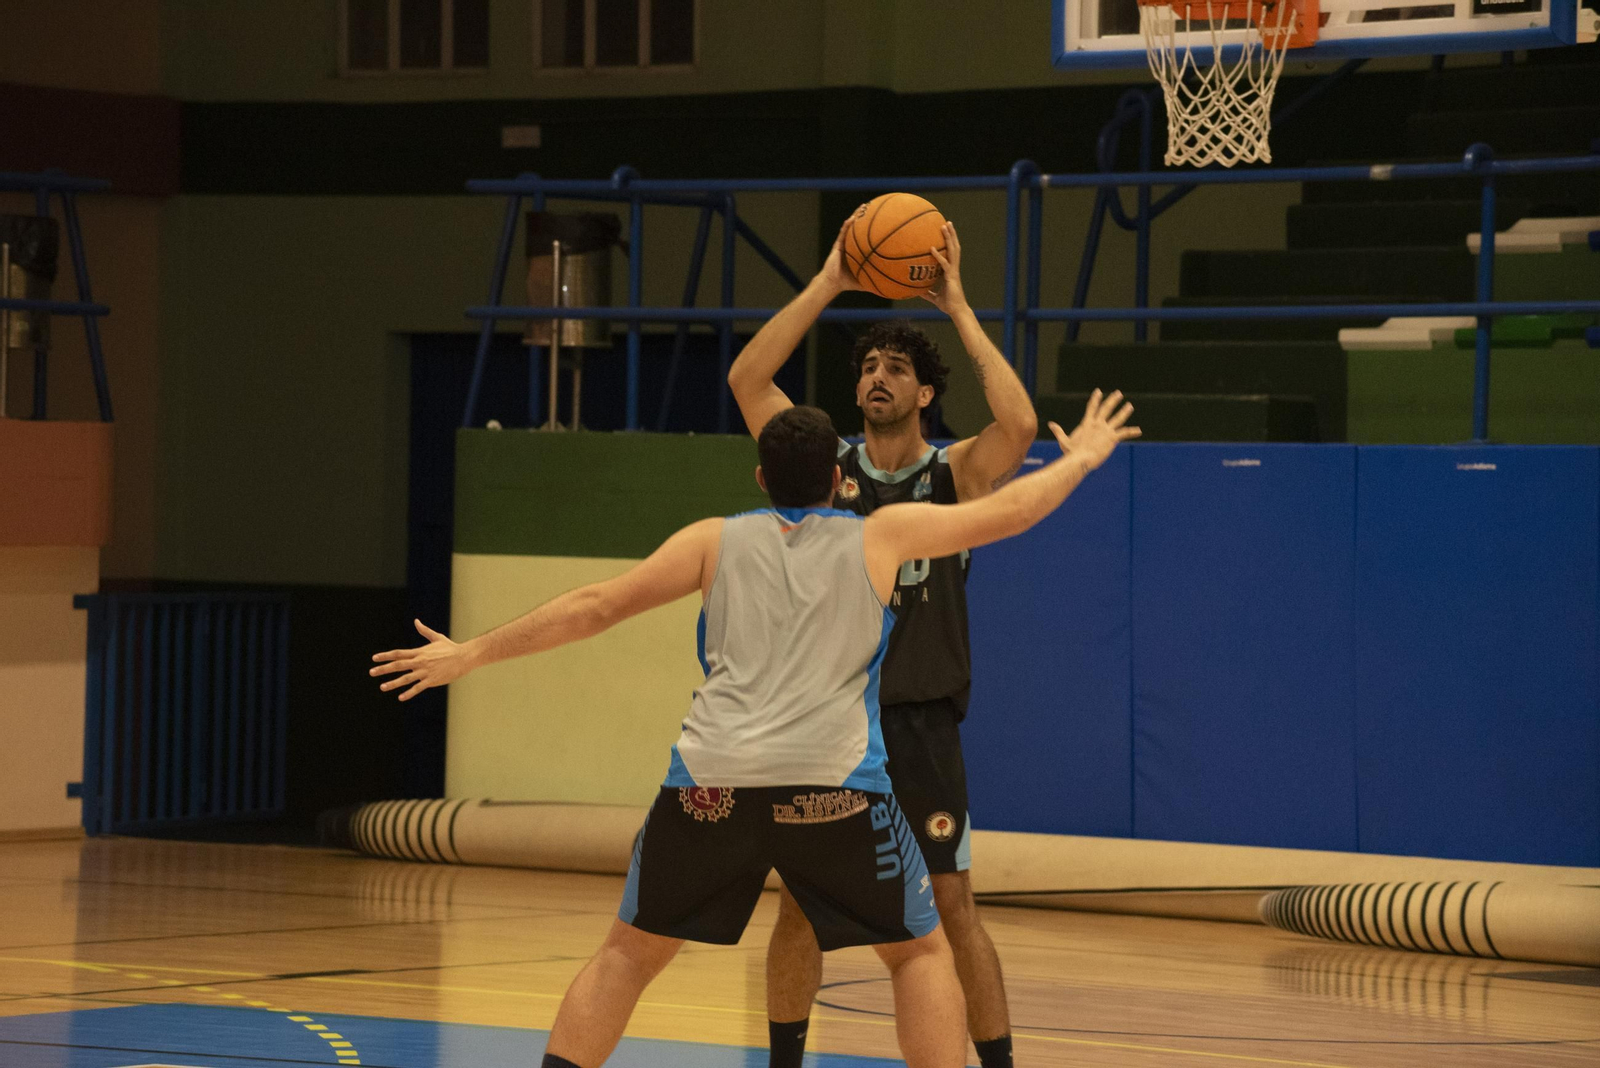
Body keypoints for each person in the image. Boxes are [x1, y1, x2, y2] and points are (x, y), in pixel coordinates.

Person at [369, 396, 1138, 1068]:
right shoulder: (882, 535)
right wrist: (1082, 461)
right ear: (841, 480)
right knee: (919, 952)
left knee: (627, 956)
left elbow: (595, 606)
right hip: (836, 792)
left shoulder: (713, 540)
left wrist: (470, 652)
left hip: (709, 787)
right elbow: (1007, 513)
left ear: (761, 479)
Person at [727, 211, 1036, 1068]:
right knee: (797, 905)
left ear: (924, 393)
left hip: (920, 725)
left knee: (952, 903)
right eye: (867, 365)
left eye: (896, 368)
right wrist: (829, 281)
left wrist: (960, 306)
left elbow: (1020, 428)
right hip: (830, 727)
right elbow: (751, 381)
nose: (875, 377)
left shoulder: (955, 475)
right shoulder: (823, 471)